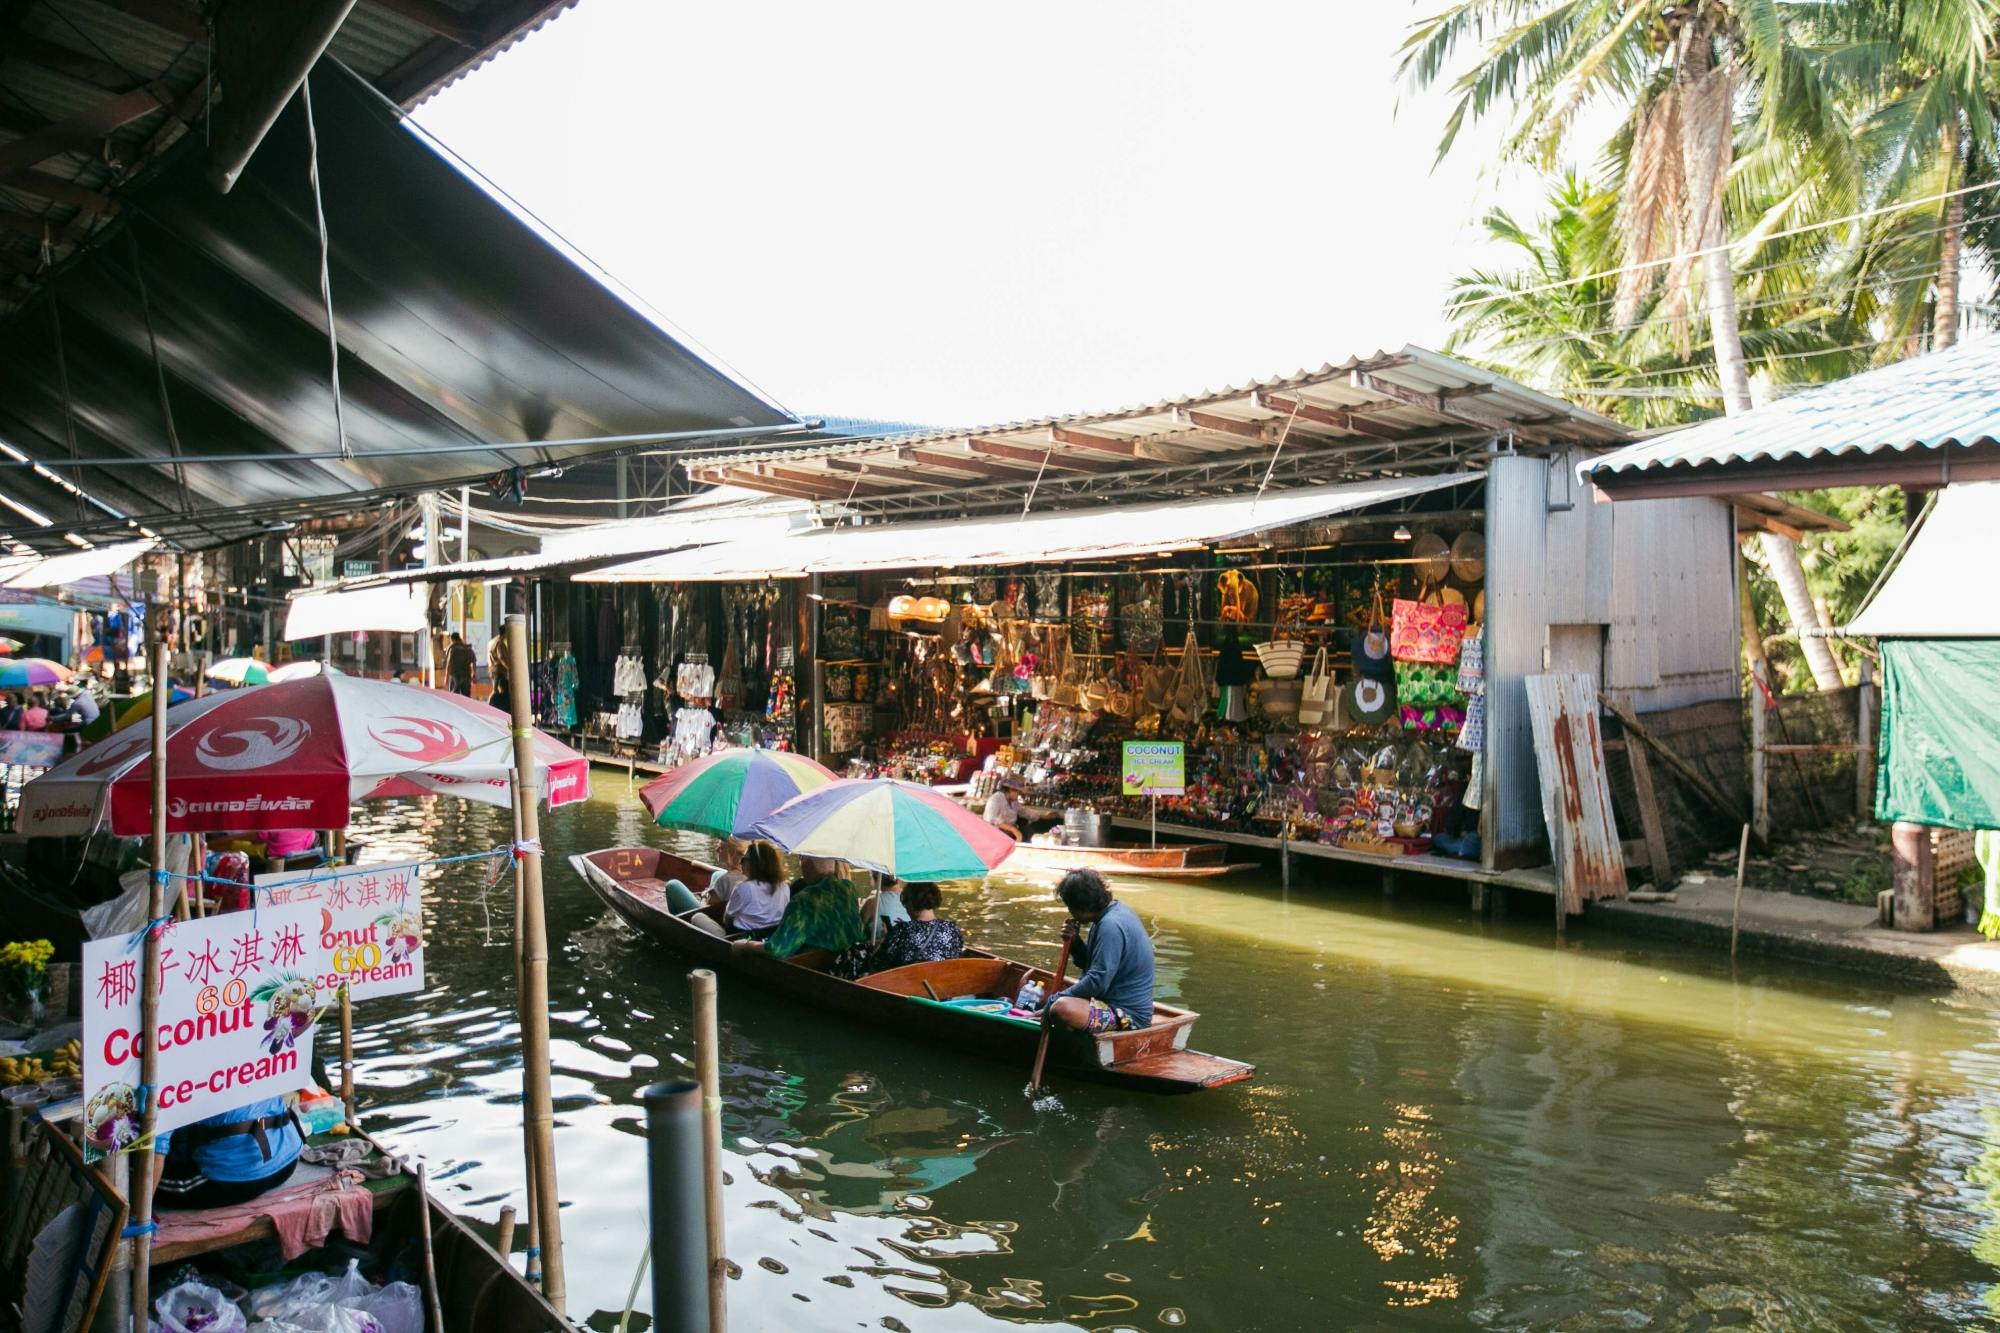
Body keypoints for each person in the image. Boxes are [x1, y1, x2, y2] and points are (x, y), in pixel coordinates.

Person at [1045, 869, 1155, 1033]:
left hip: (1127, 1016)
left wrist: (1056, 998)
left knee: (1061, 1007)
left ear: (1080, 906)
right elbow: (1090, 965)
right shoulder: (1109, 914)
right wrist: (1075, 942)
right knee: (1047, 997)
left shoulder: (1110, 925)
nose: (1070, 912)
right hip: (1106, 1003)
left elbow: (1097, 982)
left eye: (1070, 907)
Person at [153, 1094, 304, 1209]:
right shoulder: (257, 1052)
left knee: (133, 1181)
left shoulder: (176, 1064)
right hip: (288, 1156)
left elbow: (156, 1149)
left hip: (239, 1179)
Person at [736, 855, 865, 966]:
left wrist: (745, 945)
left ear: (807, 864)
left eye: (801, 859)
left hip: (817, 967)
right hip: (850, 960)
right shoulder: (848, 888)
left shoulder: (803, 900)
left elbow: (777, 949)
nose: (800, 866)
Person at [866, 882, 964, 972]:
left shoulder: (902, 930)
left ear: (910, 904)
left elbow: (876, 964)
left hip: (909, 986)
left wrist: (884, 938)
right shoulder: (952, 928)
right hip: (944, 982)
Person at [723, 840, 790, 933]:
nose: (740, 863)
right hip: (771, 937)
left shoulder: (744, 888)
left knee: (698, 917)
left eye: (744, 859)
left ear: (755, 864)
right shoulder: (784, 887)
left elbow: (727, 920)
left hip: (742, 939)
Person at [707, 837, 747, 906]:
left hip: (717, 915)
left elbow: (706, 909)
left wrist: (704, 897)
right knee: (716, 874)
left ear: (732, 853)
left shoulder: (724, 880)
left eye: (721, 848)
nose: (716, 850)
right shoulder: (753, 875)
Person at [487, 636, 511, 708]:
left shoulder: (492, 642)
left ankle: (489, 706)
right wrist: (508, 667)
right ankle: (489, 706)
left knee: (495, 689)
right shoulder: (499, 643)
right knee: (496, 690)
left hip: (493, 668)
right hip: (499, 669)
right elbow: (501, 657)